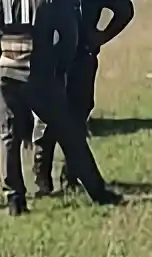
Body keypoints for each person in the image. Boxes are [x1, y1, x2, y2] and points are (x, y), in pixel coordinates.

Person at [0, 0, 123, 216]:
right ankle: (97, 191)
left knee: (7, 137)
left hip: (6, 73)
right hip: (40, 73)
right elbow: (68, 33)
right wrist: (59, 68)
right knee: (69, 134)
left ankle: (15, 200)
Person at [32, 0, 134, 195]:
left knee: (77, 116)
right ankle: (41, 180)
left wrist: (101, 37)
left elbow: (125, 10)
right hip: (52, 59)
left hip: (81, 58)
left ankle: (72, 175)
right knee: (47, 117)